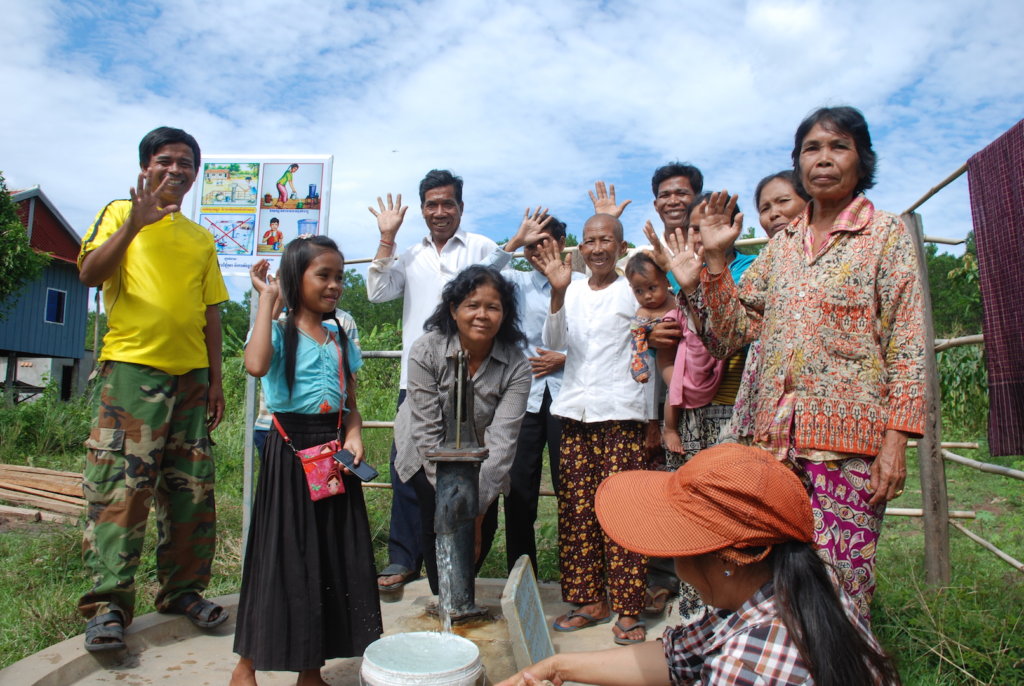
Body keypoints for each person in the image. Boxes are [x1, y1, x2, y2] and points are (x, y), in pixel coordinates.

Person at [675, 106, 926, 617]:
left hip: (849, 449)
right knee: (773, 584)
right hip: (772, 446)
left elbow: (910, 345)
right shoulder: (782, 246)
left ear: (862, 159)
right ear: (799, 162)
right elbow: (730, 337)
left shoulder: (885, 235)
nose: (824, 159)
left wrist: (897, 442)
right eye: (812, 149)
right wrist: (716, 264)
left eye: (839, 147)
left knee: (842, 589)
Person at [496, 443, 902, 686]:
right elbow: (677, 658)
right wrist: (557, 666)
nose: (668, 554)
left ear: (728, 558)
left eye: (677, 539)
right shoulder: (803, 582)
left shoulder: (747, 664)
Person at [77, 126, 229, 652]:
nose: (176, 170)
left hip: (191, 382)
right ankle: (107, 608)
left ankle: (182, 592)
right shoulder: (120, 214)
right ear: (146, 166)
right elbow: (89, 275)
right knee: (121, 491)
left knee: (190, 492)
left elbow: (210, 313)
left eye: (186, 163)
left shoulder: (199, 238)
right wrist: (133, 227)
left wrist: (214, 379)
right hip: (132, 375)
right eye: (165, 161)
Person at [231, 236, 381, 685]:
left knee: (330, 558)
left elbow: (350, 401)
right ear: (296, 278)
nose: (335, 284)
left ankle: (310, 669)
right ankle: (246, 665)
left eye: (339, 276)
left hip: (333, 455)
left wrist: (354, 433)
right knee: (280, 557)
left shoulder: (339, 335)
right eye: (324, 275)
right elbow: (256, 366)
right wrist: (267, 300)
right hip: (290, 454)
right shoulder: (276, 331)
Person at [366, 171, 508, 591]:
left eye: (448, 203)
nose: (440, 212)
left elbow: (502, 278)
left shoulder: (480, 246)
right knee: (407, 466)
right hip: (420, 378)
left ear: (460, 207)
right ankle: (404, 558)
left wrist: (514, 244)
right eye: (432, 204)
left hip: (473, 378)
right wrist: (387, 239)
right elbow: (377, 292)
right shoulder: (408, 255)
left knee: (474, 466)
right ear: (422, 209)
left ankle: (467, 559)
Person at [534, 214, 654, 645]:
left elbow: (649, 349)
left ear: (622, 248)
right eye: (590, 241)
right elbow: (555, 340)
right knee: (577, 510)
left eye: (607, 240)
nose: (598, 248)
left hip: (621, 413)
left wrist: (654, 420)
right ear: (580, 249)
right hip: (575, 413)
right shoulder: (573, 288)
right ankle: (589, 601)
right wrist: (558, 291)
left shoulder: (632, 290)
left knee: (624, 511)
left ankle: (627, 607)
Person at [393, 265, 532, 595]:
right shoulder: (427, 350)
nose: (482, 315)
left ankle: (461, 605)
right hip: (426, 458)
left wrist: (476, 513)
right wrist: (452, 504)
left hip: (482, 462)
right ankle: (445, 606)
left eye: (493, 306)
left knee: (477, 538)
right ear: (454, 310)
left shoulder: (516, 365)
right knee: (438, 534)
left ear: (505, 314)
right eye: (472, 305)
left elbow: (502, 441)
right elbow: (427, 432)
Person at [490, 209, 584, 574]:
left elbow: (601, 339)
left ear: (562, 245)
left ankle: (578, 575)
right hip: (523, 395)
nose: (537, 253)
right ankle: (521, 575)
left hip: (569, 395)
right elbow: (472, 279)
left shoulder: (582, 283)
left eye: (545, 244)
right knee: (519, 493)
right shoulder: (514, 282)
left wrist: (564, 359)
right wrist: (513, 243)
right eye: (531, 247)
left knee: (571, 489)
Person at [720, 171, 810, 444]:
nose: (774, 214)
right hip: (767, 395)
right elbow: (731, 332)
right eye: (764, 208)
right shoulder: (763, 265)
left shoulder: (847, 254)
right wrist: (713, 262)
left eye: (783, 201)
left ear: (810, 201)